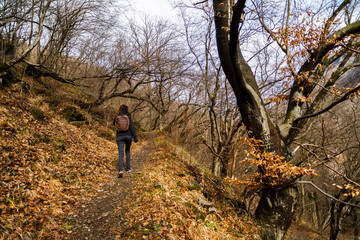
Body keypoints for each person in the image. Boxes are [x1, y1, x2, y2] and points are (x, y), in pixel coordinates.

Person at [113, 104, 138, 178]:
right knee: (127, 151)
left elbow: (113, 124)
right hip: (128, 136)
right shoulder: (128, 117)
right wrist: (135, 138)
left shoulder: (117, 117)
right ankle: (128, 168)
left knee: (121, 153)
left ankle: (120, 170)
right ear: (127, 109)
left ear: (120, 109)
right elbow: (132, 127)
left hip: (119, 137)